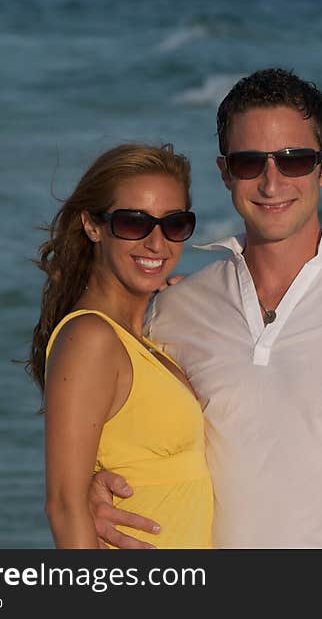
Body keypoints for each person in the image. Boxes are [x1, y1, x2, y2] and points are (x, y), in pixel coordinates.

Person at [90, 69, 322, 548]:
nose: (272, 183)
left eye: (294, 161)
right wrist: (89, 487)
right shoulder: (172, 312)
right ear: (225, 171)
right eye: (250, 162)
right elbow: (132, 438)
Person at [28, 143, 212, 548]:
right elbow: (64, 506)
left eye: (174, 224)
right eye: (133, 223)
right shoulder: (90, 338)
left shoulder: (141, 338)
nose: (156, 243)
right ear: (92, 226)